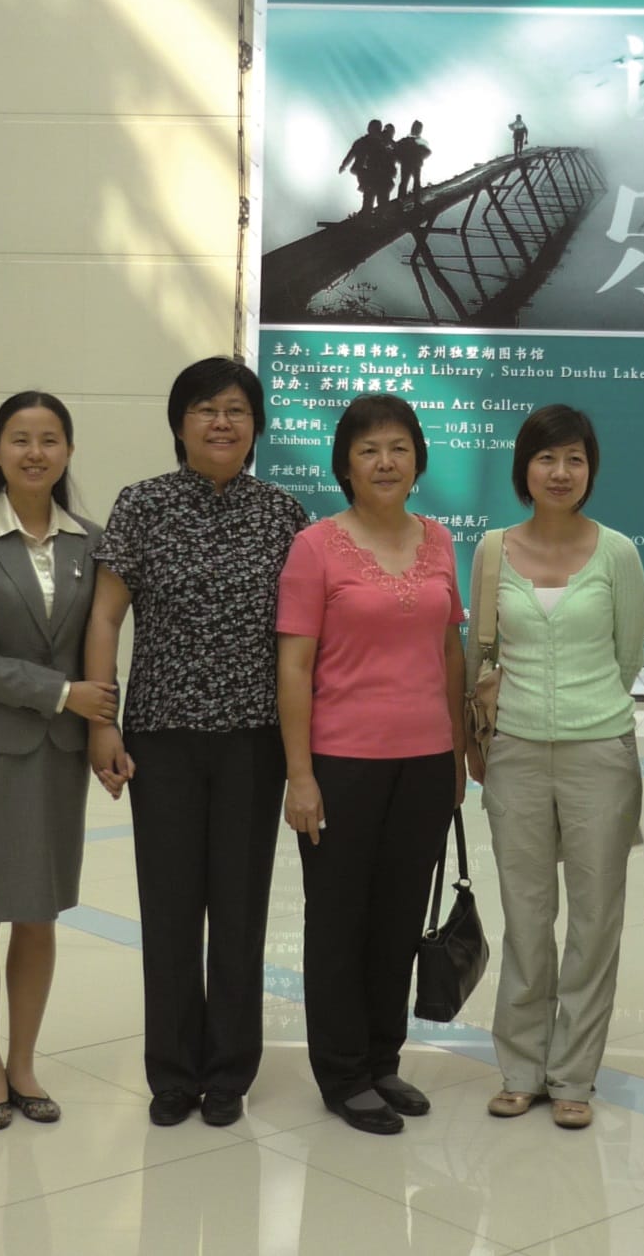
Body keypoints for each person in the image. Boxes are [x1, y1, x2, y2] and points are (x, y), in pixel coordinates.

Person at [83, 357, 308, 1129]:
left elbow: (305, 640)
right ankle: (173, 1070)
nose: (222, 422)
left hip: (254, 740)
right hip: (164, 737)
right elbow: (107, 616)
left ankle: (228, 1071)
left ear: (256, 427)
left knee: (240, 911)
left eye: (237, 410)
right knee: (172, 908)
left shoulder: (283, 513)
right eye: (206, 409)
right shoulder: (142, 505)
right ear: (179, 423)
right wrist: (102, 720)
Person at [277, 394, 467, 1135]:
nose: (385, 462)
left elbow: (448, 652)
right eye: (368, 450)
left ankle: (383, 1062)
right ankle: (342, 1071)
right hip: (341, 762)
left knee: (396, 918)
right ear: (345, 466)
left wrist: (455, 750)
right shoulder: (317, 547)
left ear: (418, 458)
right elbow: (293, 666)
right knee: (338, 919)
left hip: (423, 760)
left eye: (397, 447)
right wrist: (300, 775)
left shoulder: (441, 540)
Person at [0, 390, 111, 1130]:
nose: (34, 452)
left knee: (37, 917)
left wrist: (102, 724)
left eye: (49, 439)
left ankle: (25, 1064)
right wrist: (63, 693)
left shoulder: (92, 541)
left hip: (55, 755)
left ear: (68, 451)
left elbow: (98, 643)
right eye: (19, 438)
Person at [466, 405, 644, 1130]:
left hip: (599, 748)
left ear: (590, 470)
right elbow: (479, 652)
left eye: (574, 459)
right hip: (511, 750)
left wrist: (583, 708)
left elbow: (627, 655)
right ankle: (520, 1068)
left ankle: (573, 1075)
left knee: (595, 919)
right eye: (546, 459)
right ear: (524, 469)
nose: (560, 473)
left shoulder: (617, 554)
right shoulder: (491, 550)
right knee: (526, 915)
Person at [338, 119, 385, 214]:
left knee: (373, 190)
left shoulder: (380, 143)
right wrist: (343, 165)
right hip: (363, 171)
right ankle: (366, 211)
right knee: (369, 190)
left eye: (378, 130)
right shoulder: (362, 143)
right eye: (376, 130)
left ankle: (370, 210)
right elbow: (351, 155)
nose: (378, 132)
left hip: (372, 172)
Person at [394, 120, 431, 204]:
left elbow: (428, 152)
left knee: (412, 182)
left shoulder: (416, 141)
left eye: (418, 128)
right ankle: (403, 202)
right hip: (409, 163)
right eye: (416, 128)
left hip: (412, 163)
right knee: (407, 182)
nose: (417, 130)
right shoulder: (406, 140)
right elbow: (396, 150)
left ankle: (412, 201)